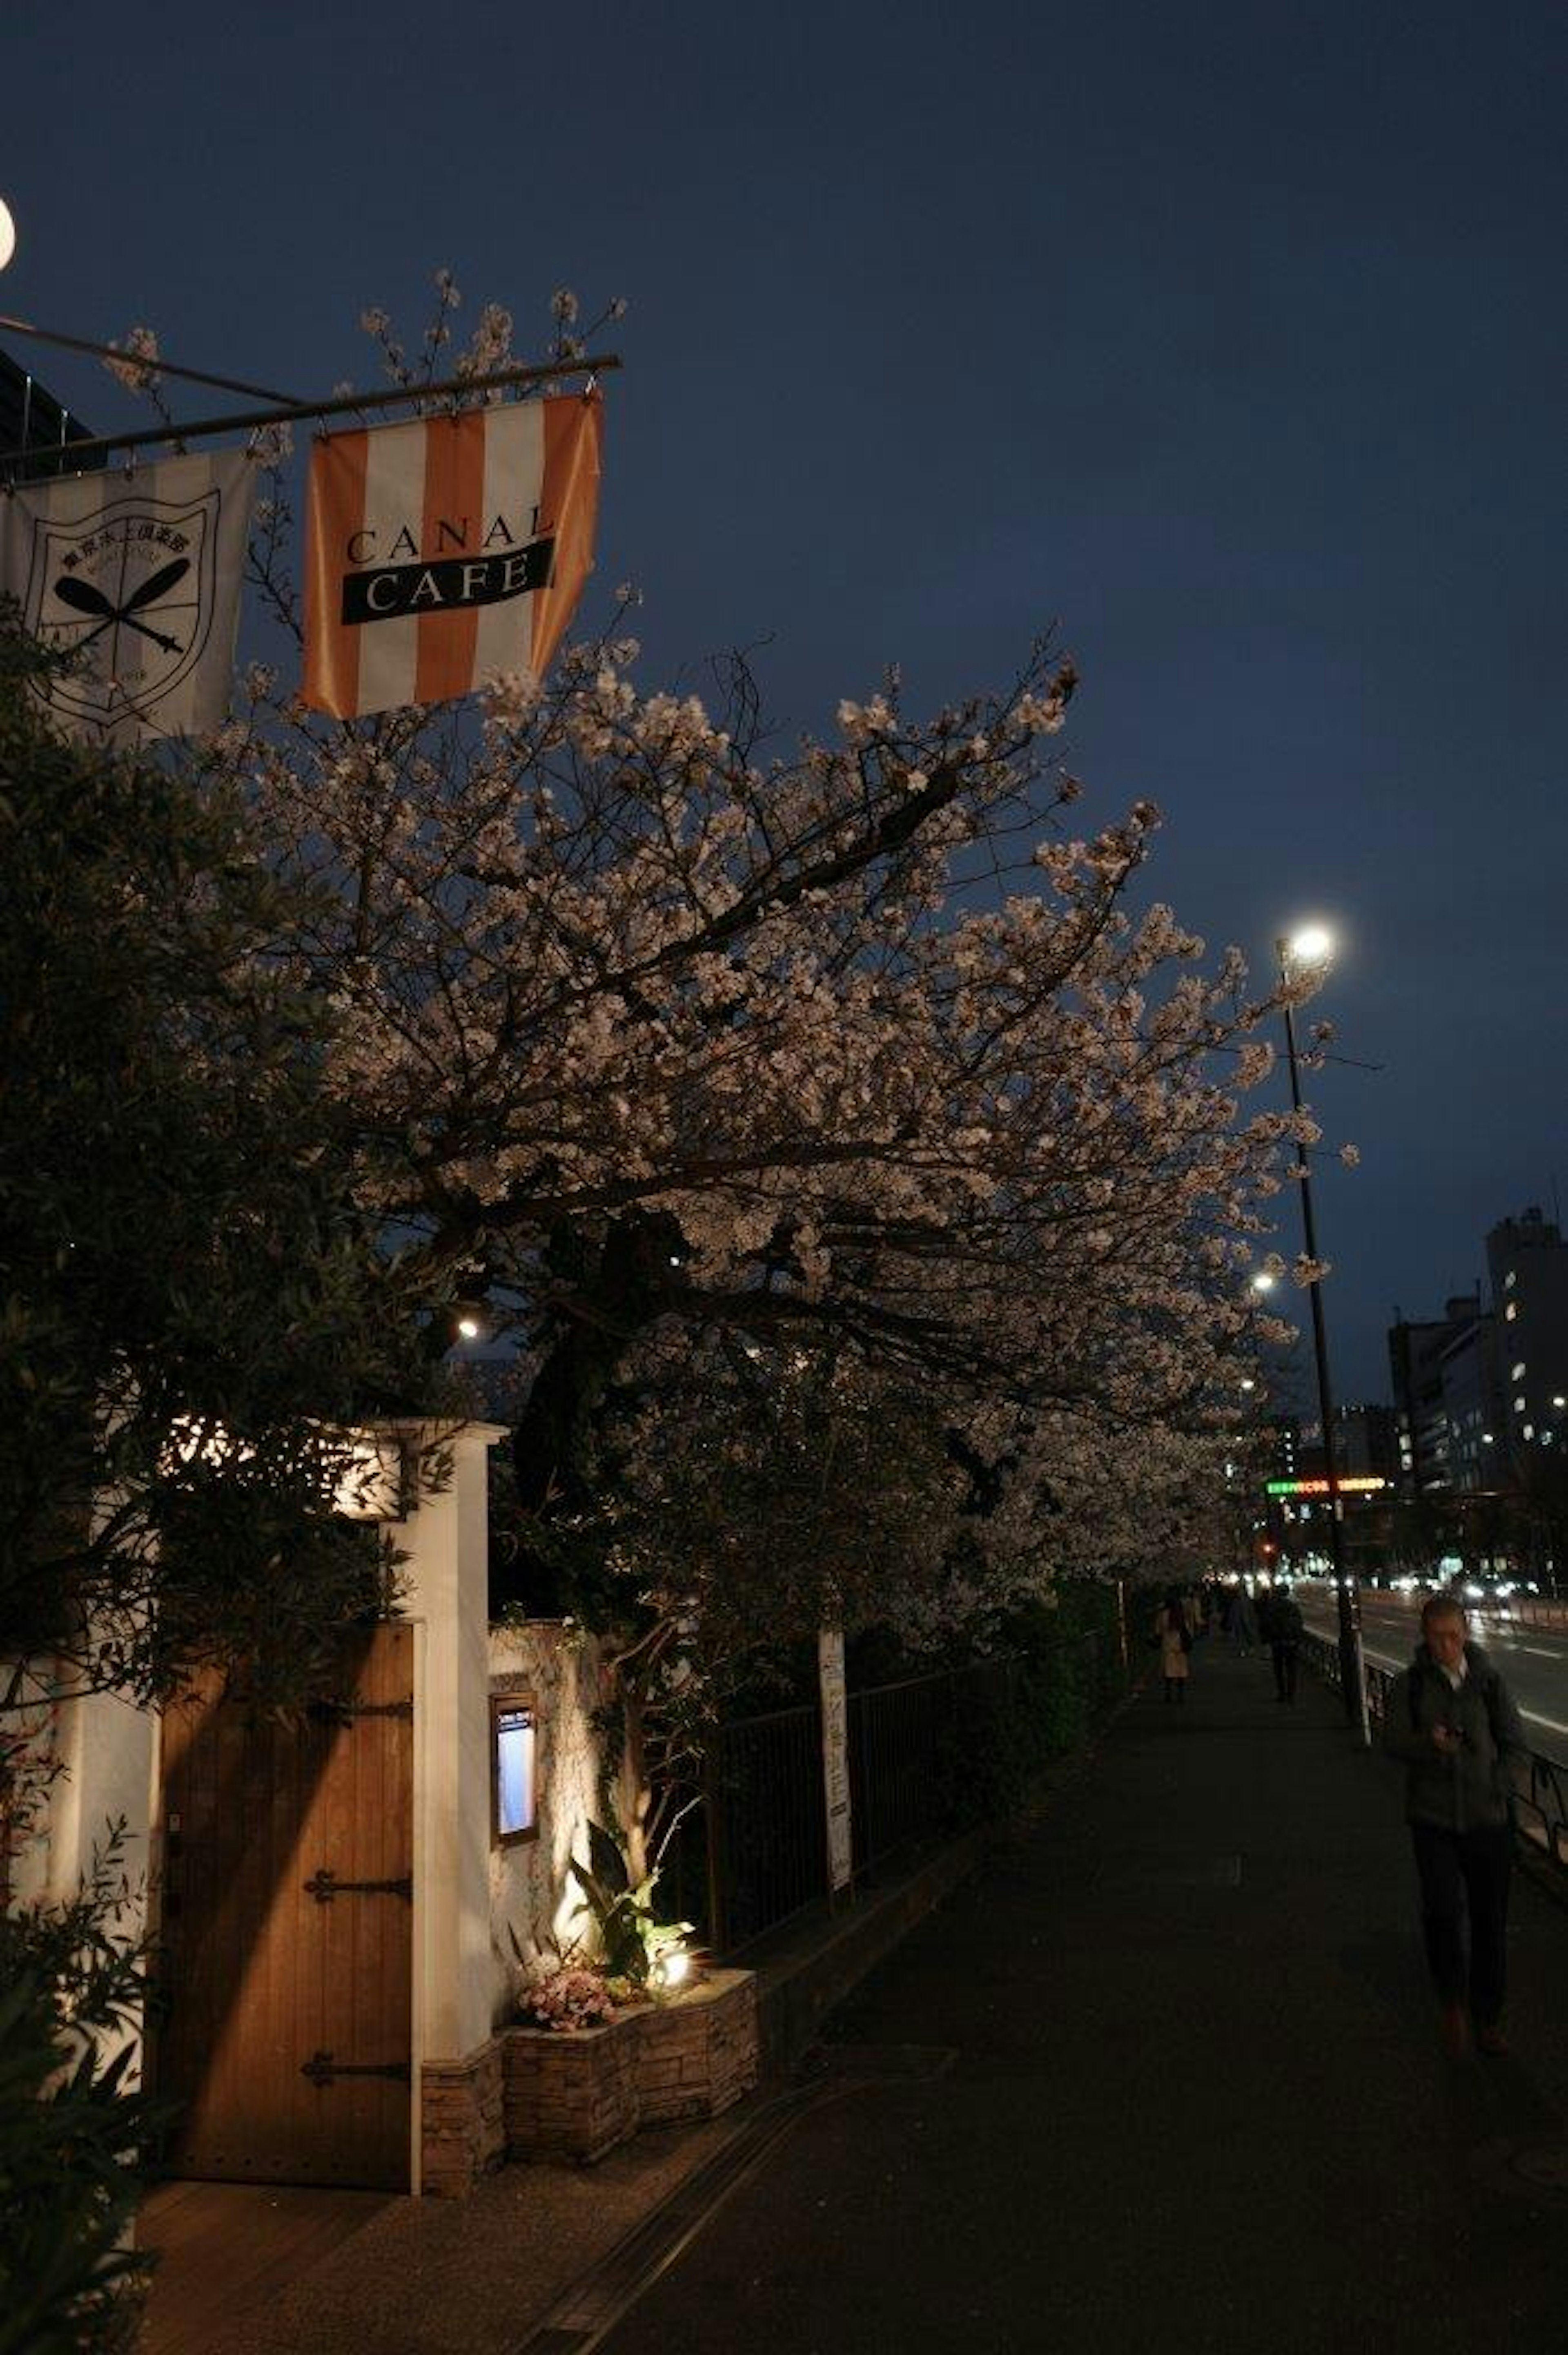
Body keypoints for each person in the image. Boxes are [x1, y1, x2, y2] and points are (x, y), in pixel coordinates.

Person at [1383, 1594, 1527, 2058]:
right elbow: (1394, 1741)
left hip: (1488, 1821)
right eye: (1437, 1637)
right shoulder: (1410, 1685)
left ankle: (1489, 2016)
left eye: (1454, 1635)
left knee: (1490, 1923)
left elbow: (1515, 1745)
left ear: (1465, 1633)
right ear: (1424, 1637)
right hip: (1433, 1820)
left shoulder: (1489, 1682)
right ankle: (1452, 2004)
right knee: (1443, 1914)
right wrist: (1430, 1744)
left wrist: (1498, 1786)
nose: (1447, 1645)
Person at [1267, 1584, 1304, 1703]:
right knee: (1291, 1669)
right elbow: (1299, 1624)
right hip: (1291, 1642)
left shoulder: (1273, 1606)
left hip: (1278, 1642)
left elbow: (1268, 1624)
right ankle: (1291, 1694)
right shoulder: (1293, 1607)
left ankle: (1282, 1693)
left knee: (1279, 1670)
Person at [1155, 1588, 1192, 1705]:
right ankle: (1180, 1695)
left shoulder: (1163, 1615)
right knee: (1181, 1671)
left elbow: (1158, 1630)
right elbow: (1188, 1629)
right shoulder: (1181, 1615)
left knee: (1169, 1671)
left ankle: (1168, 1694)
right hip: (1180, 1645)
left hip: (1168, 1645)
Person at [1224, 1581, 1258, 1657]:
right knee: (1241, 1636)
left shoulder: (1247, 1601)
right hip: (1239, 1621)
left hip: (1247, 1620)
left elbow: (1251, 1612)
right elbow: (1233, 1612)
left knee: (1249, 1634)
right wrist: (1231, 1622)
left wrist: (1253, 1620)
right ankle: (1243, 1650)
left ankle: (1250, 1648)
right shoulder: (1236, 1601)